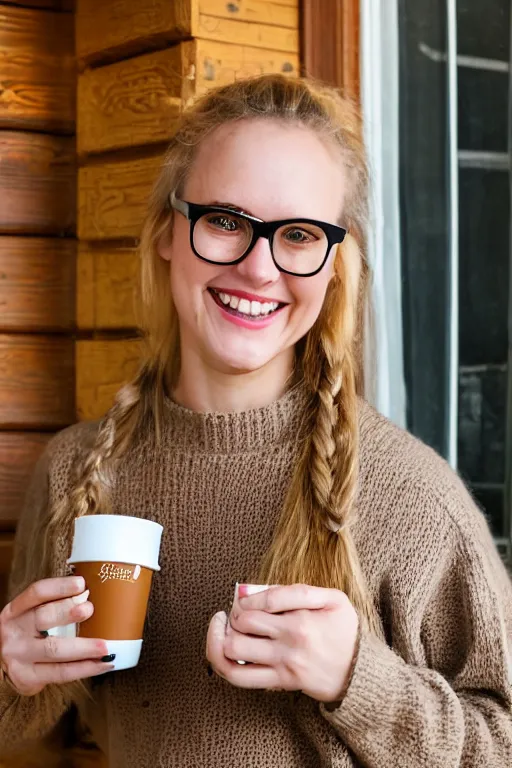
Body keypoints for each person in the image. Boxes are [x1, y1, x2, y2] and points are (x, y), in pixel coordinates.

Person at [0, 74, 511, 768]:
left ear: (334, 265)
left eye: (298, 235)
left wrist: (362, 681)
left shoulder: (412, 499)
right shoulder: (75, 472)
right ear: (166, 234)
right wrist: (13, 676)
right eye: (226, 221)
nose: (258, 266)